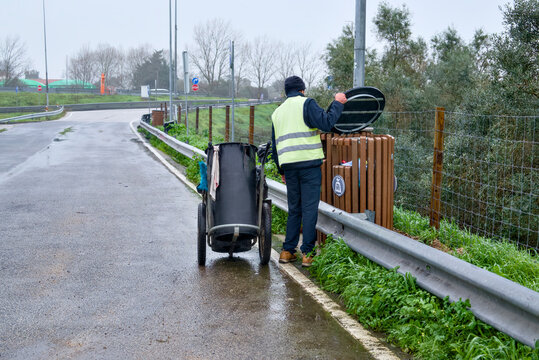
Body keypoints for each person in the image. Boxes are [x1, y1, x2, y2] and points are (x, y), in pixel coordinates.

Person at [271, 75, 347, 267]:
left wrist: (281, 169)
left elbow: (275, 145)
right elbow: (327, 123)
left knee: (294, 209)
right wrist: (337, 103)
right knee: (309, 208)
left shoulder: (277, 113)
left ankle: (287, 251)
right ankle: (308, 253)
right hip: (309, 165)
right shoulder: (307, 103)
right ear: (302, 90)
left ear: (286, 92)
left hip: (288, 166)